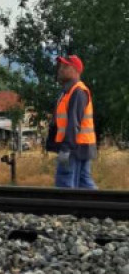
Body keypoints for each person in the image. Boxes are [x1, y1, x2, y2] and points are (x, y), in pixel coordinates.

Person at [47, 54, 97, 189]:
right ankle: (103, 208)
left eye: (65, 67)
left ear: (75, 70)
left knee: (64, 183)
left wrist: (66, 149)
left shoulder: (77, 92)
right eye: (60, 66)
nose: (60, 69)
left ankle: (65, 210)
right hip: (81, 145)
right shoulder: (68, 92)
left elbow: (73, 123)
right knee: (84, 184)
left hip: (74, 147)